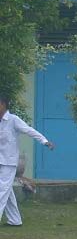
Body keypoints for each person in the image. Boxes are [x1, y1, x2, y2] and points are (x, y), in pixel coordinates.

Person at [0, 94, 54, 227]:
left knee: (2, 189)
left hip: (9, 162)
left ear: (5, 105)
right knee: (7, 191)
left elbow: (29, 130)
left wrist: (44, 141)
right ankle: (15, 220)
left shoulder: (13, 120)